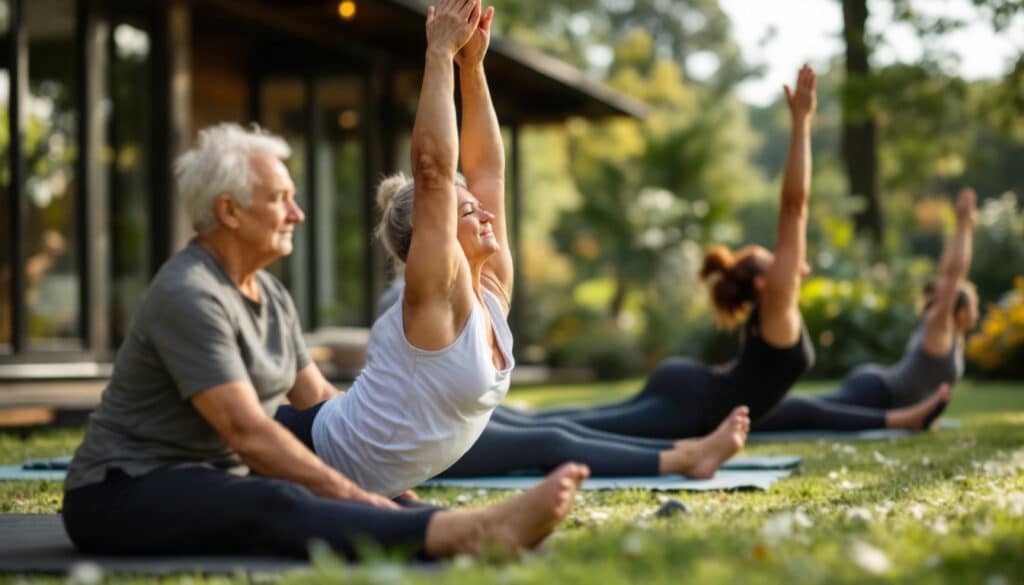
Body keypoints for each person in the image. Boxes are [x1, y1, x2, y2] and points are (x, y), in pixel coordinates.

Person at [61, 116, 587, 560]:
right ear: (229, 211)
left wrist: (387, 488)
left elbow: (315, 402)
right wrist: (358, 496)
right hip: (121, 489)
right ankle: (465, 534)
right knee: (275, 504)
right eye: (281, 199)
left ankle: (444, 524)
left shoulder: (267, 292)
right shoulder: (190, 294)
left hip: (207, 474)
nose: (298, 213)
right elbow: (247, 432)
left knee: (303, 489)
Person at [506, 65, 820, 440]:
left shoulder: (772, 313)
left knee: (581, 422)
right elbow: (794, 207)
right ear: (764, 280)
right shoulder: (778, 304)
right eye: (776, 258)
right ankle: (480, 434)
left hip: (693, 389)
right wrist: (801, 122)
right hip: (693, 403)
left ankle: (492, 424)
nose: (786, 256)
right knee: (577, 430)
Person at [751, 188, 978, 432]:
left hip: (882, 391)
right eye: (973, 305)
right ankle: (751, 414)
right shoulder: (938, 325)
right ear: (959, 311)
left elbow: (953, 280)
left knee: (816, 411)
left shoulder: (953, 336)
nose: (977, 311)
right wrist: (963, 226)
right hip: (878, 392)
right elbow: (951, 277)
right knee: (811, 412)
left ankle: (754, 413)